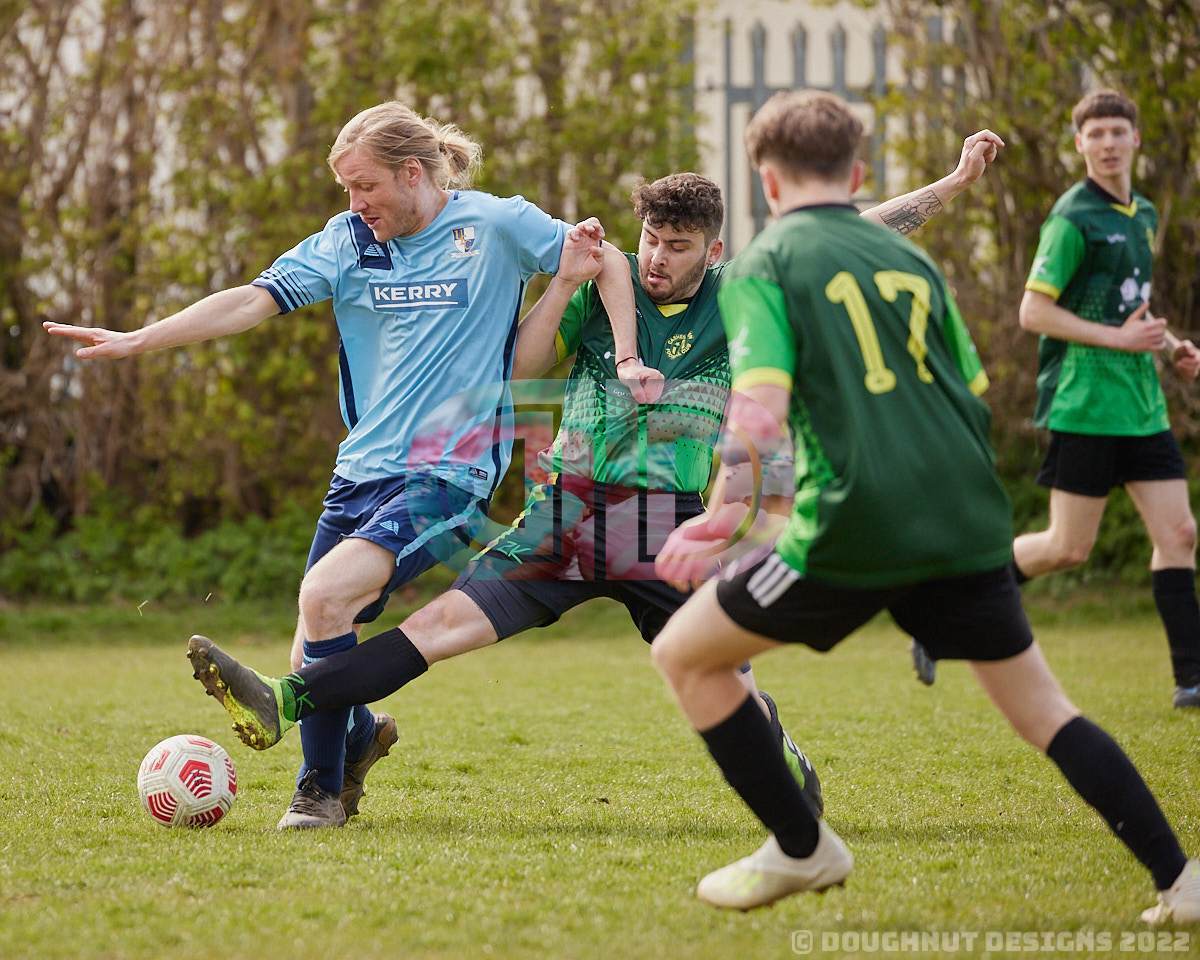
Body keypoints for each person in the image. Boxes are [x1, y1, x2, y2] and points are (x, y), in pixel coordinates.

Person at [183, 124, 1001, 823]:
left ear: (713, 251)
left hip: (664, 530)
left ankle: (779, 753)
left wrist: (954, 184)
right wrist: (566, 283)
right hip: (564, 517)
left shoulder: (739, 297)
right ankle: (286, 699)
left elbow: (841, 236)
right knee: (434, 630)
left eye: (677, 246)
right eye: (650, 240)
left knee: (724, 688)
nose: (656, 258)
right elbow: (521, 371)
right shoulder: (604, 295)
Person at [648, 89, 1200, 923]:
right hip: (966, 517)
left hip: (856, 521)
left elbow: (760, 402)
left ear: (767, 183)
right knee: (1047, 713)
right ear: (856, 175)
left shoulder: (766, 263)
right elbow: (968, 390)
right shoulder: (914, 266)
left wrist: (722, 516)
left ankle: (803, 844)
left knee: (686, 654)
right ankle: (1180, 881)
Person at [44, 100, 663, 830]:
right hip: (359, 473)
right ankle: (361, 734)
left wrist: (627, 357)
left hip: (450, 474)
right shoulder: (347, 241)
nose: (354, 202)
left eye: (364, 185)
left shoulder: (496, 224)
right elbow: (251, 301)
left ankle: (318, 794)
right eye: (346, 187)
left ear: (412, 174)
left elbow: (605, 261)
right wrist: (140, 339)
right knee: (314, 643)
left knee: (323, 596)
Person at [912, 90, 1200, 706]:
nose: (1108, 143)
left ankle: (1191, 680)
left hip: (1142, 404)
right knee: (1068, 548)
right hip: (1085, 403)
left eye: (1118, 132)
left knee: (1179, 534)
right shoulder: (1073, 217)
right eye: (1096, 134)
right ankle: (946, 604)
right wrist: (1121, 340)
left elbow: (1130, 304)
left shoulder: (1143, 214)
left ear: (1135, 139)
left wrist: (1171, 346)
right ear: (1079, 144)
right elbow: (1034, 312)